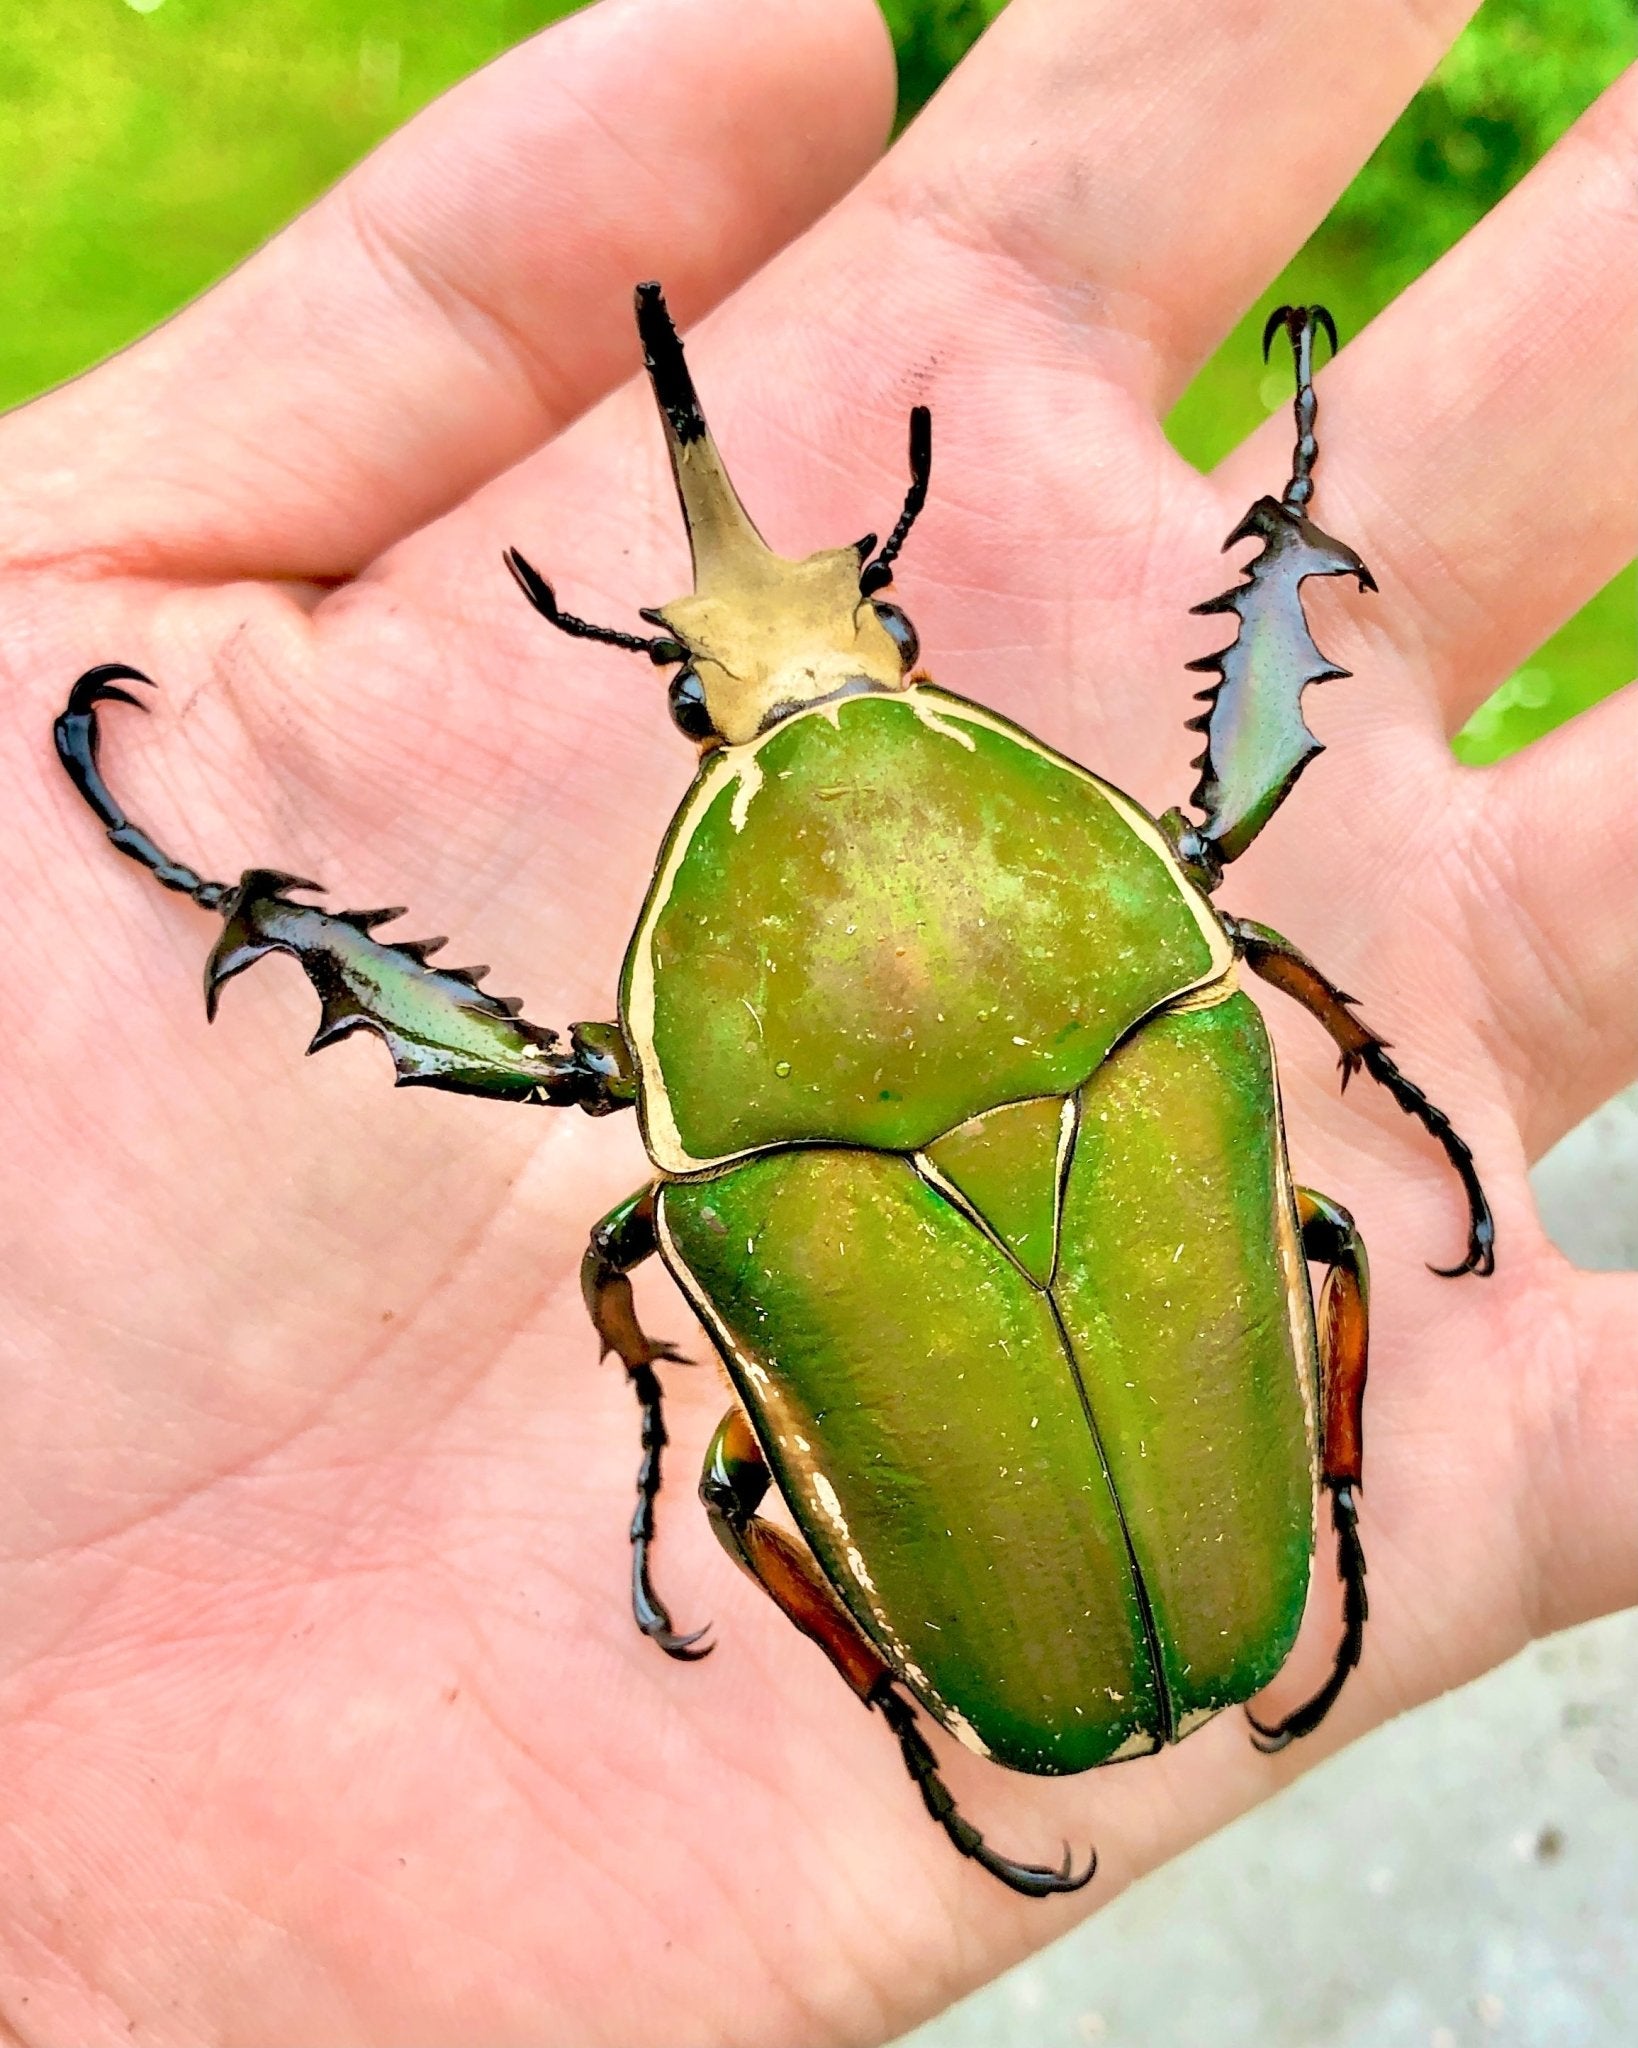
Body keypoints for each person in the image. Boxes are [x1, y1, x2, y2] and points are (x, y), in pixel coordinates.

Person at [2, 0, 1632, 2038]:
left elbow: (530, 1098)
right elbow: (1237, 857)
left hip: (1032, 1586)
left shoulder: (727, 1115)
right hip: (1154, 1539)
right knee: (1307, 1221)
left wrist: (256, 909)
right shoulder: (1186, 944)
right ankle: (1302, 1530)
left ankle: (961, 1690)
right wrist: (1285, 545)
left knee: (728, 1481)